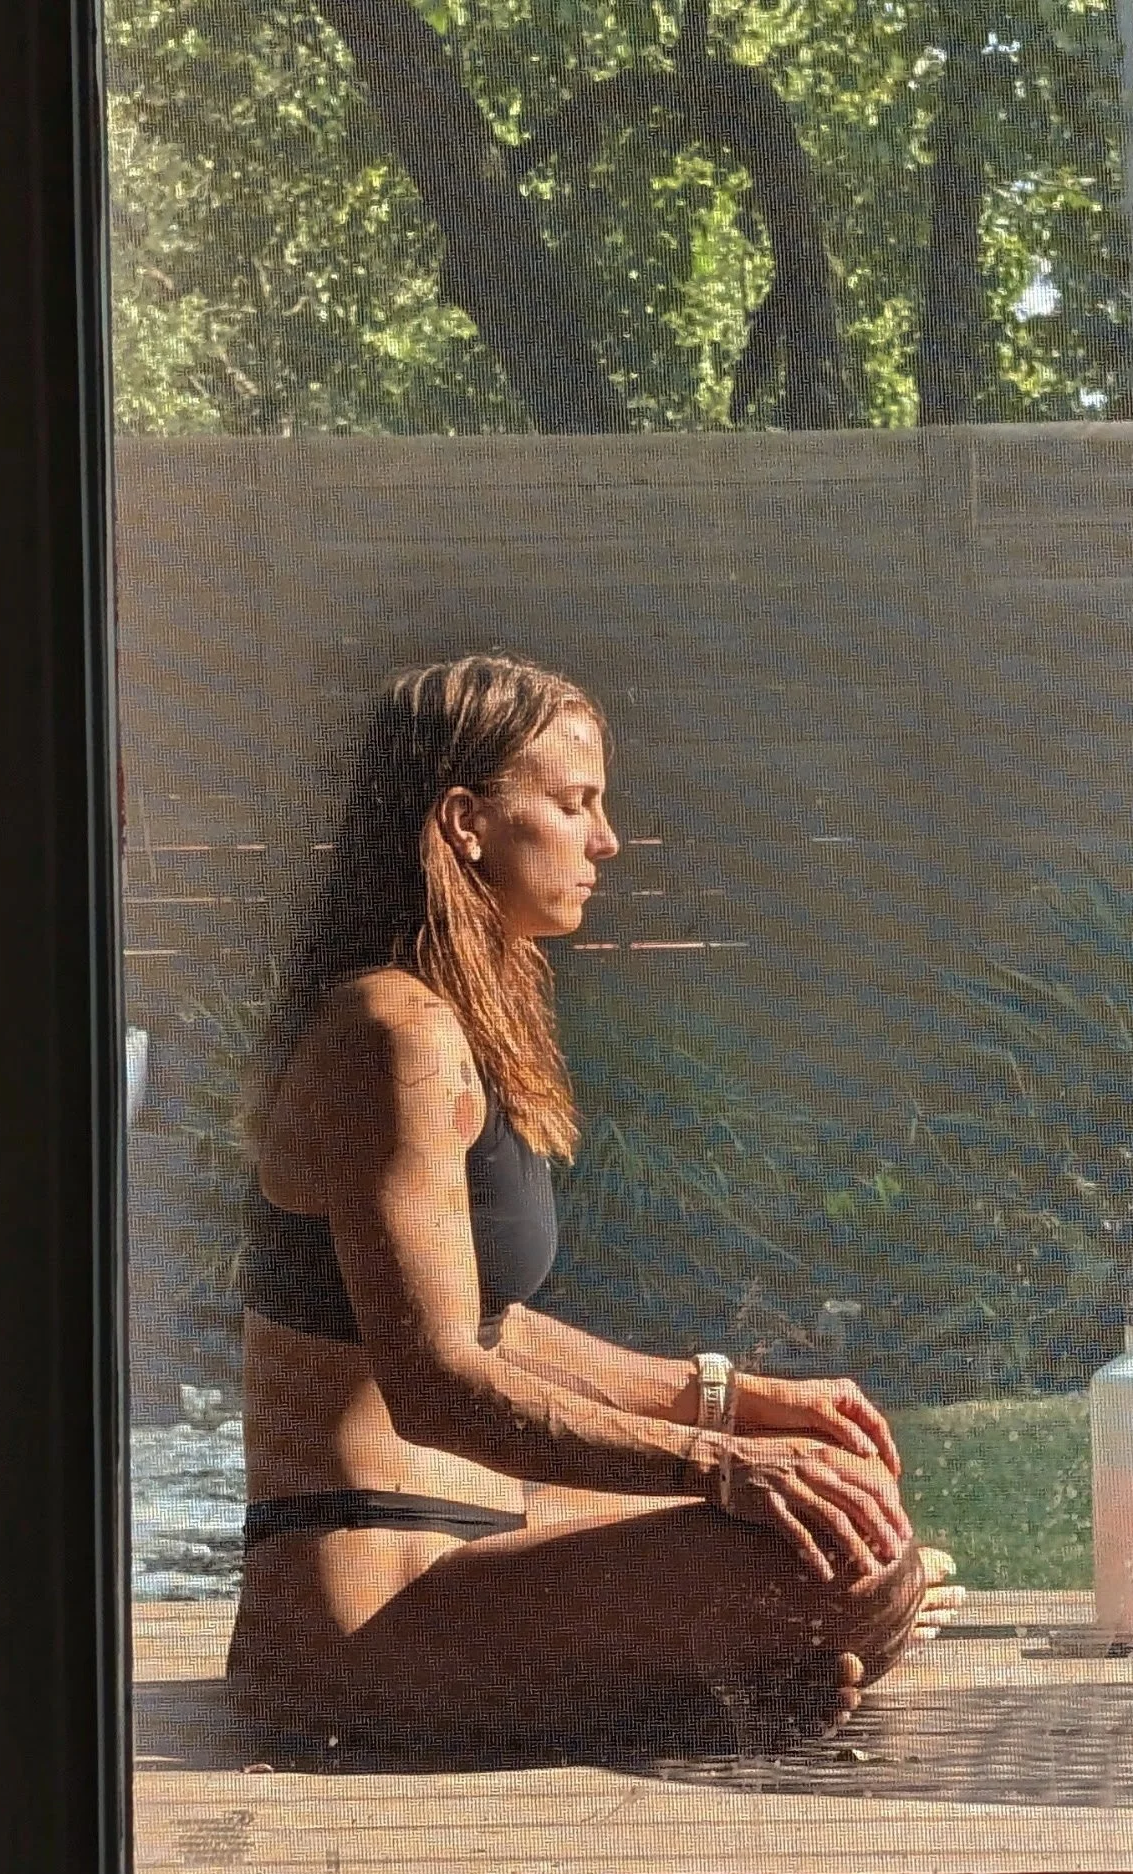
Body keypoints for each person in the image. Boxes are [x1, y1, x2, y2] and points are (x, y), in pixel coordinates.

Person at [226, 653, 963, 1762]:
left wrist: (728, 1396)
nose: (605, 839)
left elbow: (491, 1324)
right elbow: (435, 1384)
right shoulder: (391, 1036)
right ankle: (693, 1691)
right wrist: (716, 1461)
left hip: (468, 1535)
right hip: (367, 1601)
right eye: (573, 804)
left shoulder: (445, 1019)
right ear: (466, 821)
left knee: (852, 1530)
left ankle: (693, 1689)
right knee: (841, 1568)